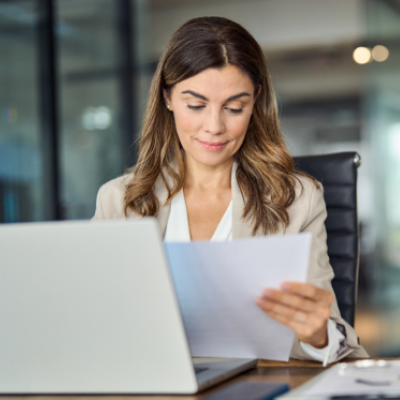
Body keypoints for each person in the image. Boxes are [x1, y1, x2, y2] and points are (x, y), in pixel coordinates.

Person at [92, 16, 368, 364]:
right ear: (167, 97)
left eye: (234, 108)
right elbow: (96, 327)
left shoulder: (297, 200)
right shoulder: (119, 201)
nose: (214, 127)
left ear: (255, 101)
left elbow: (343, 348)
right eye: (196, 105)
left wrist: (317, 333)